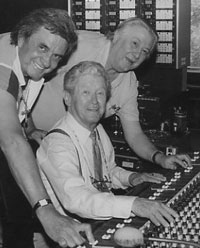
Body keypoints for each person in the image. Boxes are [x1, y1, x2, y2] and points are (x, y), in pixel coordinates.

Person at [32, 17, 191, 170]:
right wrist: (28, 128)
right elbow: (25, 69)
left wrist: (160, 158)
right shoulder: (80, 45)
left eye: (144, 51)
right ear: (116, 36)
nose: (137, 55)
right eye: (134, 43)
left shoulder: (128, 84)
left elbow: (135, 135)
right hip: (29, 137)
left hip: (64, 152)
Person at [37, 60, 179, 228]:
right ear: (68, 98)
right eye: (85, 93)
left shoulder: (97, 129)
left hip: (102, 221)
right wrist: (134, 204)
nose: (95, 101)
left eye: (100, 93)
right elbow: (76, 199)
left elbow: (107, 172)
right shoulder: (57, 145)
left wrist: (132, 178)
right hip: (78, 233)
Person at [0, 8, 94, 248]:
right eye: (43, 47)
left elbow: (18, 103)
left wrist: (29, 128)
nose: (48, 62)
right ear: (21, 38)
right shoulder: (2, 67)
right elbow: (10, 140)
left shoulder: (28, 64)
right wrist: (46, 210)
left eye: (56, 56)